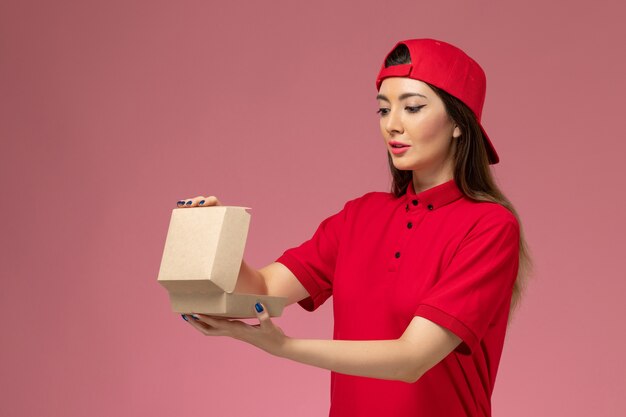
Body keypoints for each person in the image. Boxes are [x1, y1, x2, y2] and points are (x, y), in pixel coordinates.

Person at [175, 38, 533, 417]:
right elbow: (262, 290)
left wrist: (282, 346)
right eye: (383, 110)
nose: (393, 125)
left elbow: (411, 359)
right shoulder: (359, 216)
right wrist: (209, 239)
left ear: (459, 123)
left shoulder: (490, 228)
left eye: (412, 108)